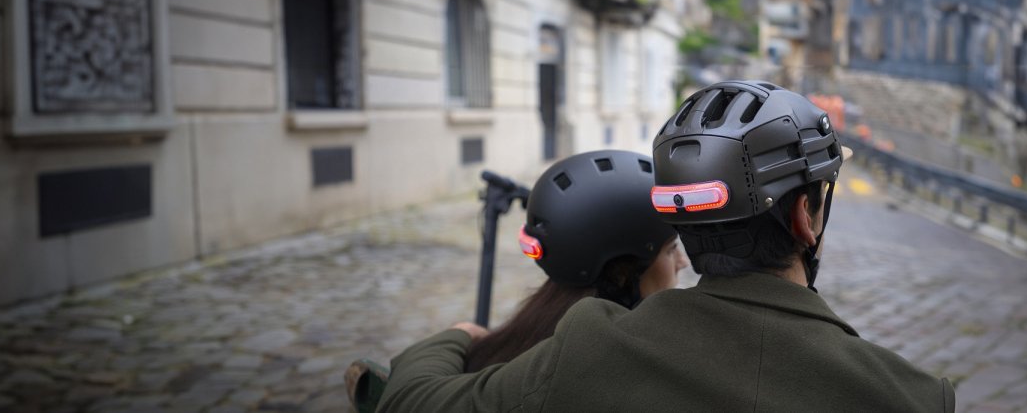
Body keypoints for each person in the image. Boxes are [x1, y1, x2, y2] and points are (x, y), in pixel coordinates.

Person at [376, 81, 955, 412]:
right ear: (806, 217)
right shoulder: (911, 400)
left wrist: (459, 335)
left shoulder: (591, 348)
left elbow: (412, 401)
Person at [347, 150, 687, 411]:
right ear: (622, 271)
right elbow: (408, 403)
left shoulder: (535, 342)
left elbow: (410, 394)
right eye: (671, 249)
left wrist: (459, 333)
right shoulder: (588, 365)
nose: (683, 262)